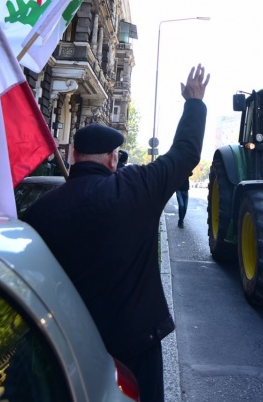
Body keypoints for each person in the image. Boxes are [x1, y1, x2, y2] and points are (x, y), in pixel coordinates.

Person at [26, 64, 209, 402]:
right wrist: (194, 103)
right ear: (112, 159)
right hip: (135, 346)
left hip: (67, 345)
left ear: (72, 155)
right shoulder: (135, 188)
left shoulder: (40, 212)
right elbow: (184, 154)